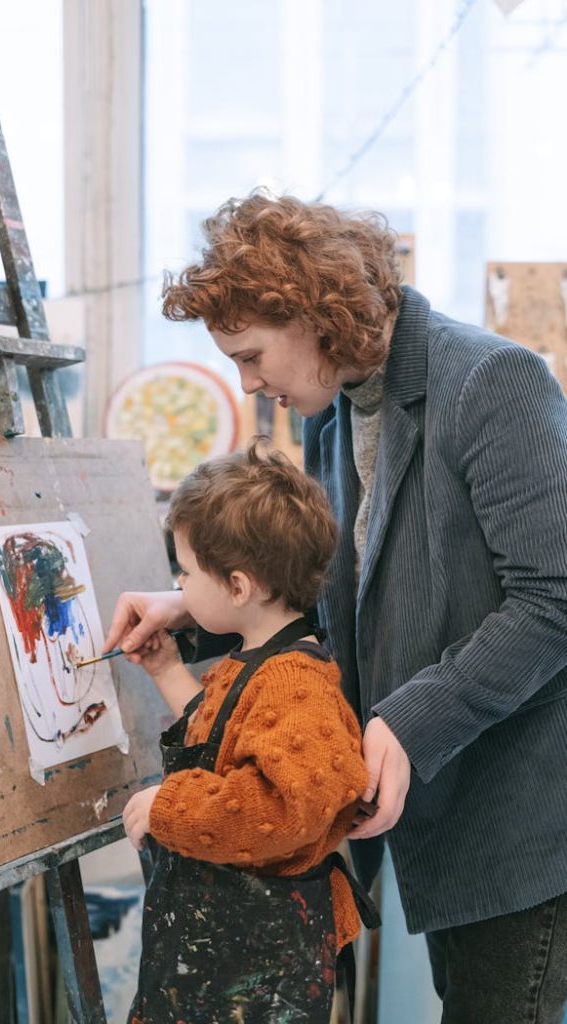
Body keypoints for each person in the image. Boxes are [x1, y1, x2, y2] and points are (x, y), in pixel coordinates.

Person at [106, 190, 567, 1024]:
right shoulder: (336, 415)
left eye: (251, 355)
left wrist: (408, 719)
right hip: (439, 820)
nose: (248, 383)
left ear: (315, 315)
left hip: (521, 823)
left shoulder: (493, 382)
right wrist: (190, 605)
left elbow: (556, 599)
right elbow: (339, 614)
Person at [120, 438, 378, 1024]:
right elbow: (220, 749)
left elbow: (279, 808)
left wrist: (169, 808)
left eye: (184, 573)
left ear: (238, 587)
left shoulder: (296, 683)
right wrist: (166, 670)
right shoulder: (254, 662)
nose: (178, 588)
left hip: (256, 974)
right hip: (217, 959)